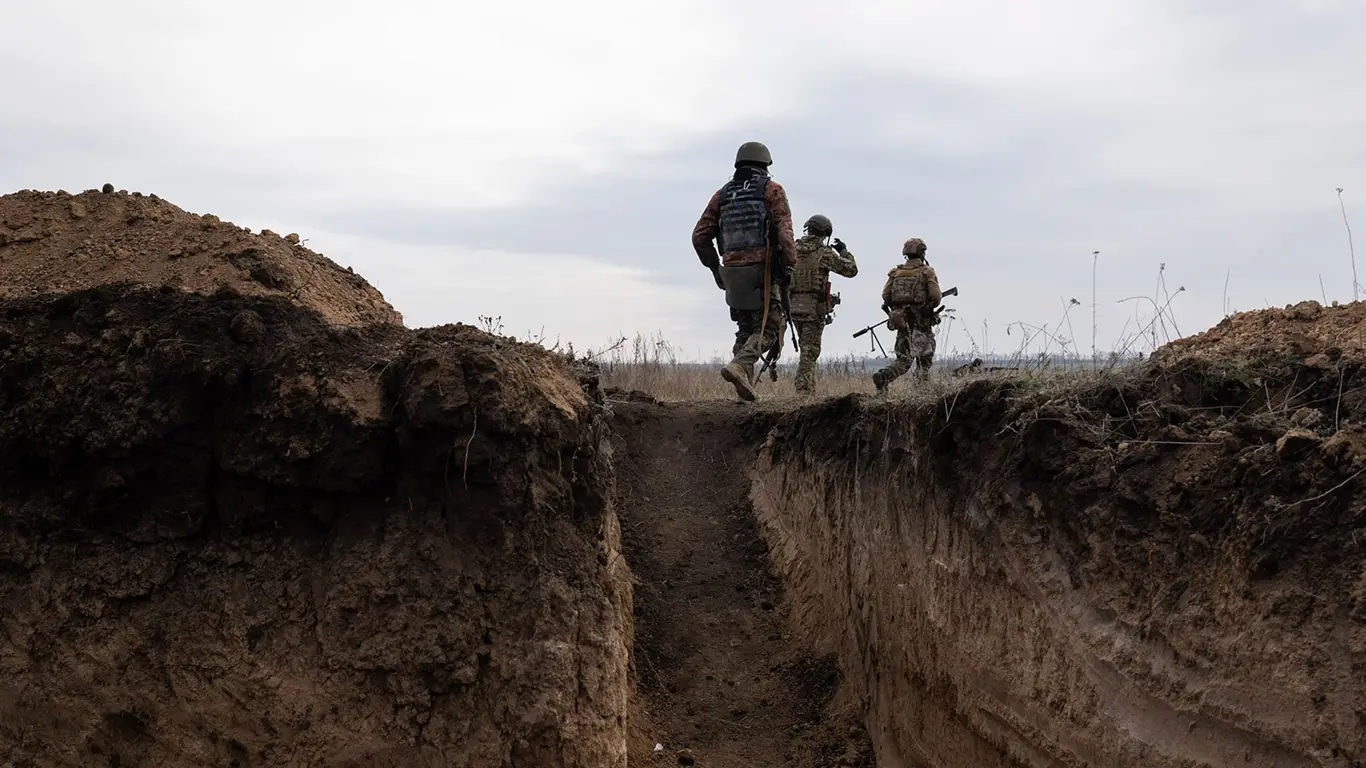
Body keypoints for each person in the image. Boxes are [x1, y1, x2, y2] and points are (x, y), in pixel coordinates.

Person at [691, 141, 798, 401]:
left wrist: (717, 269)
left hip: (733, 272)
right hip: (762, 272)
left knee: (745, 329)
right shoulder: (772, 190)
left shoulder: (722, 195)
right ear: (765, 166)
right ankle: (739, 367)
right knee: (770, 329)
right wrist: (790, 263)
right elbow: (785, 234)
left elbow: (699, 236)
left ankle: (744, 390)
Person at [787, 214, 858, 393]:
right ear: (825, 233)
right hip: (813, 309)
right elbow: (851, 270)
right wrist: (844, 251)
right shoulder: (824, 253)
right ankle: (803, 391)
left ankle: (808, 392)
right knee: (810, 351)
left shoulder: (792, 249)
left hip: (793, 306)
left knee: (806, 348)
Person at [873, 238, 941, 391]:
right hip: (921, 322)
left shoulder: (895, 272)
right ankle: (921, 390)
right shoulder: (926, 271)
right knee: (924, 358)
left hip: (901, 321)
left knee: (903, 360)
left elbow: (886, 295)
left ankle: (884, 376)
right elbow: (936, 297)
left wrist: (898, 309)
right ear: (922, 252)